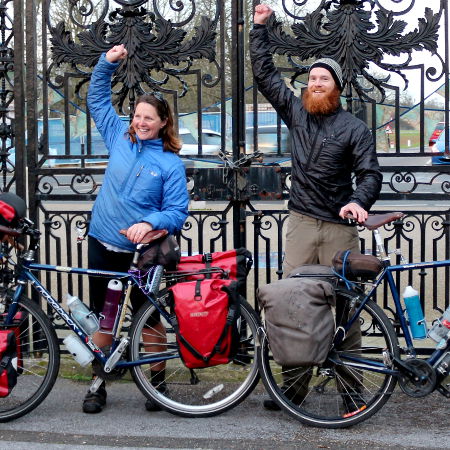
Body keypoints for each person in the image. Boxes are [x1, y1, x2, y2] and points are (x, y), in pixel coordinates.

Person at [250, 5, 382, 412]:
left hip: (340, 228)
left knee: (346, 308)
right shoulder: (297, 114)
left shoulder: (355, 128)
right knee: (294, 306)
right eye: (312, 79)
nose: (317, 83)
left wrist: (358, 202)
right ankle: (293, 391)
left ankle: (351, 393)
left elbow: (370, 174)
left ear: (336, 87)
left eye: (324, 79)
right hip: (302, 224)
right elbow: (265, 75)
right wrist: (259, 28)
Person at [83, 44, 189, 414]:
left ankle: (156, 385)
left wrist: (149, 222)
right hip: (102, 242)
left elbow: (177, 212)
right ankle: (98, 383)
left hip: (142, 253)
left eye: (149, 118)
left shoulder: (170, 163)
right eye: (137, 116)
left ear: (163, 123)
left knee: (149, 317)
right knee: (104, 316)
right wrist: (106, 63)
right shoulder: (118, 135)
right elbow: (97, 99)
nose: (141, 122)